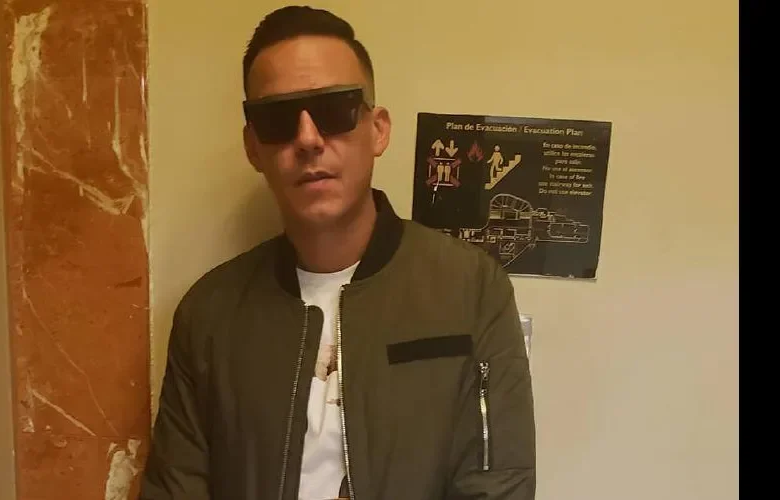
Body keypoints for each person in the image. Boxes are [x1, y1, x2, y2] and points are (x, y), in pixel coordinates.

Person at [139, 6, 535, 500]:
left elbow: (499, 484)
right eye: (278, 119)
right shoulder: (210, 314)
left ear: (378, 130)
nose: (308, 139)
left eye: (333, 110)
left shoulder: (469, 289)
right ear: (253, 146)